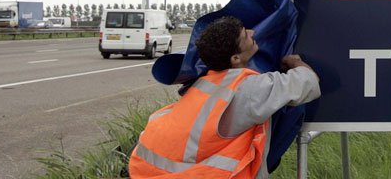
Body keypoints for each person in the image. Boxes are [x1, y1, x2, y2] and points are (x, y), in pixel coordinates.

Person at [129, 16, 321, 178]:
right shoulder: (249, 90)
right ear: (235, 58)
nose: (253, 33)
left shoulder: (202, 84)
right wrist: (295, 62)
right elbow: (309, 81)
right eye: (245, 35)